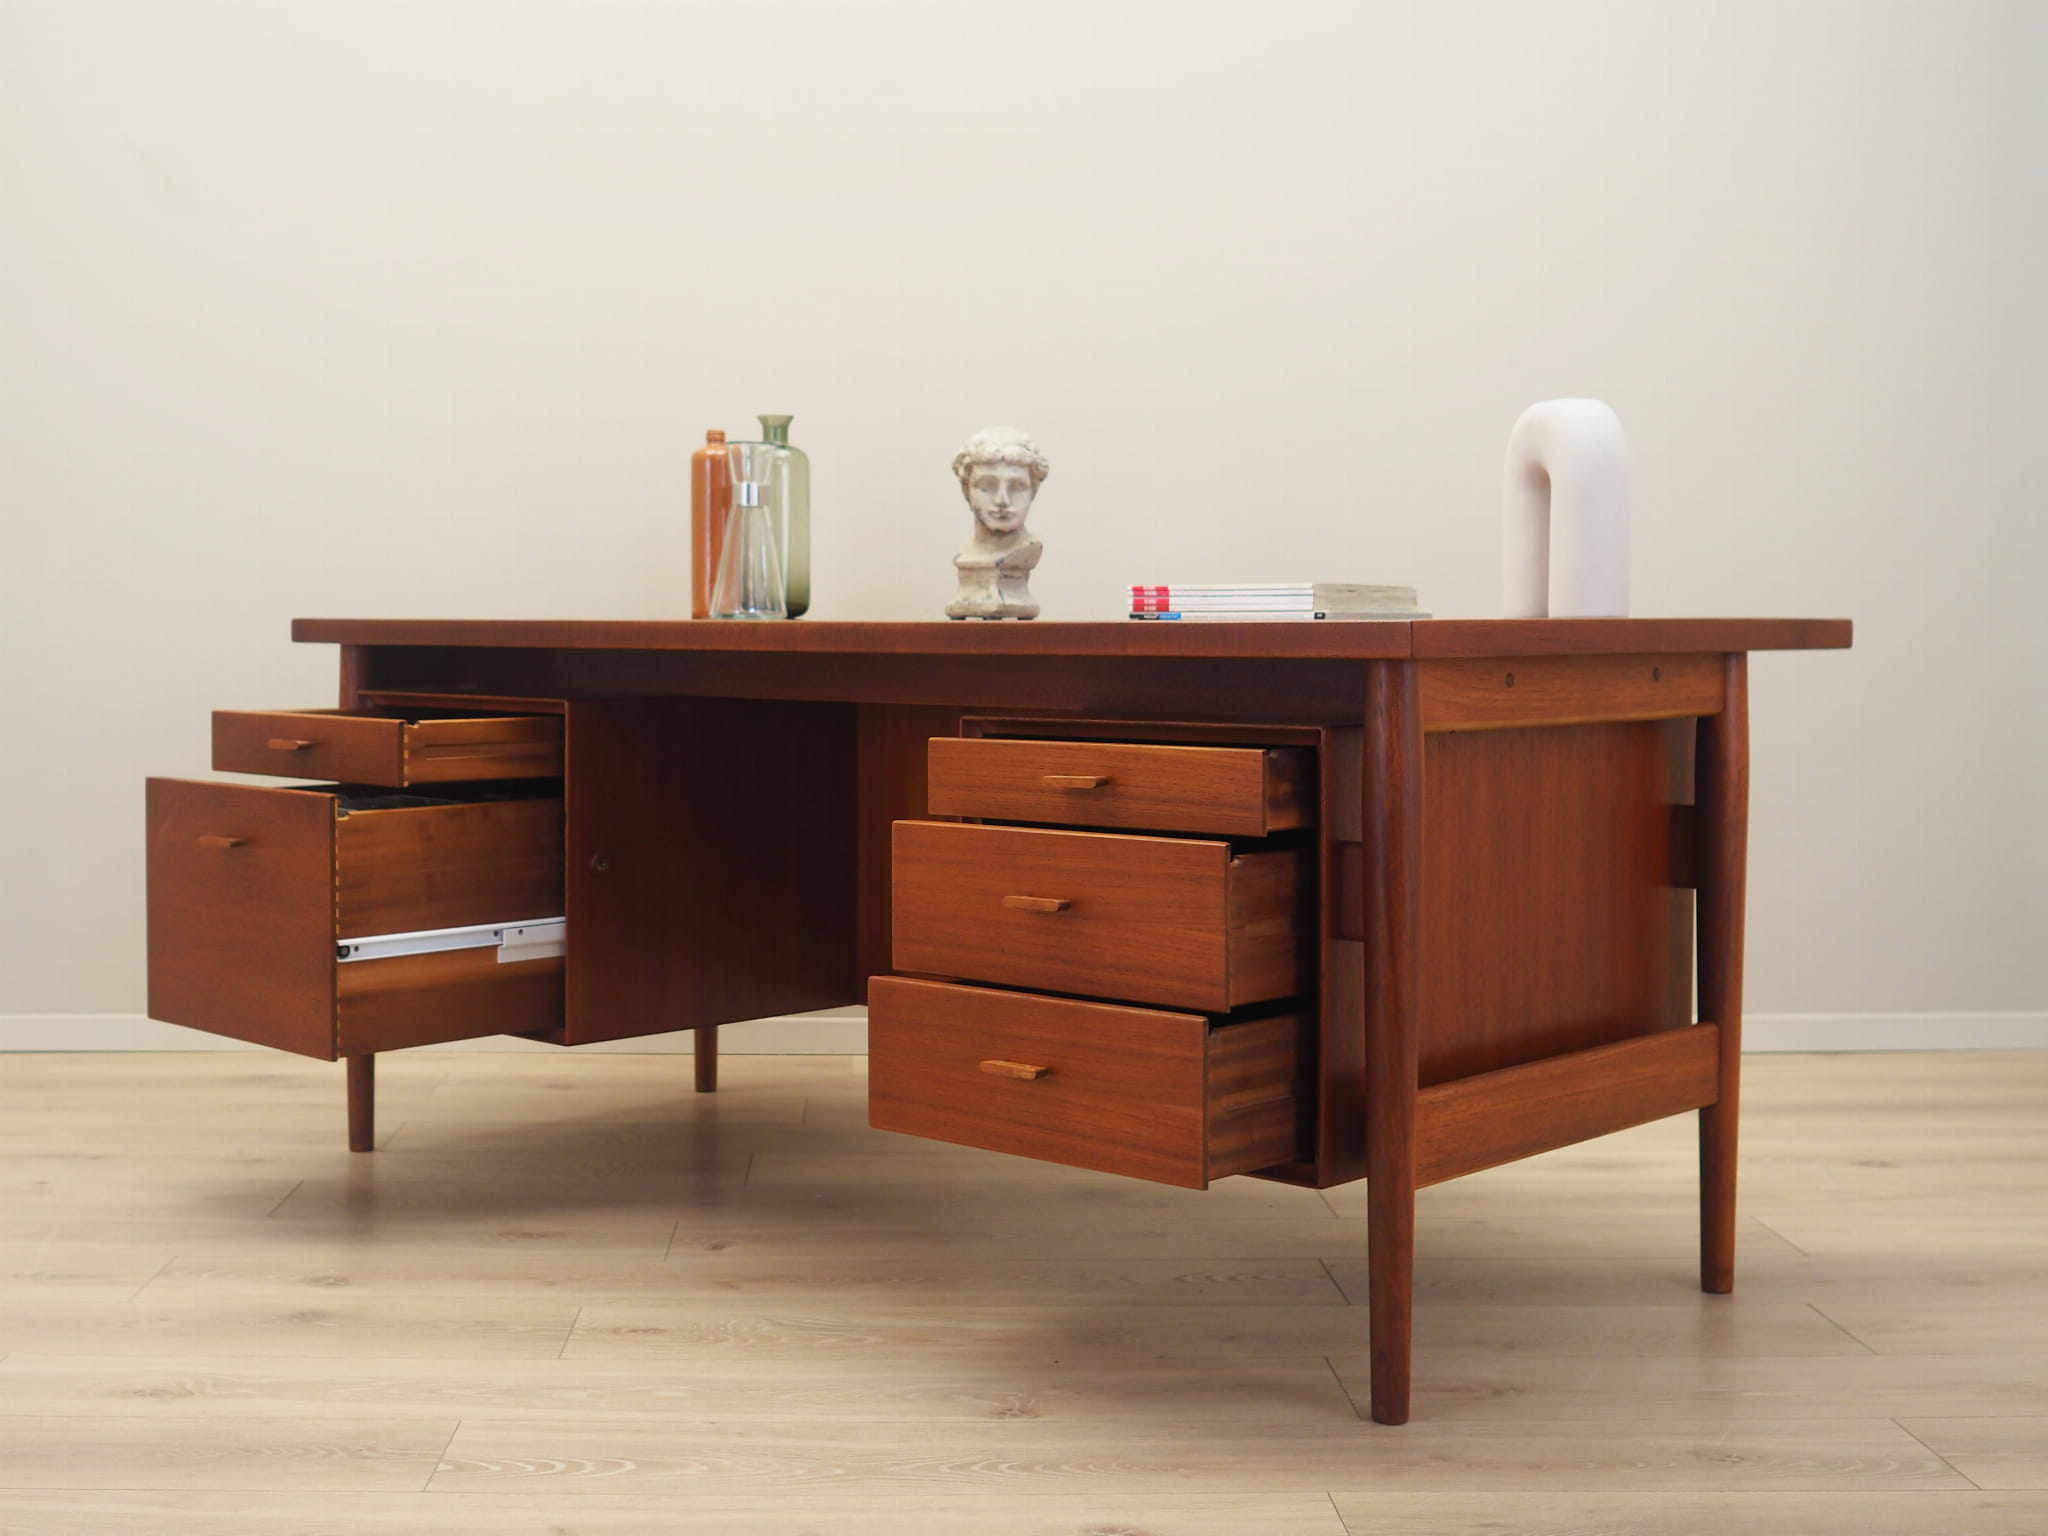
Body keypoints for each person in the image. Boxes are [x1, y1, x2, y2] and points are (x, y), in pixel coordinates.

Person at [946, 427, 1047, 619]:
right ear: (966, 491)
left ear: (1033, 492)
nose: (1002, 500)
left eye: (1017, 487)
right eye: (987, 486)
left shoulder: (1028, 550)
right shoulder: (966, 552)